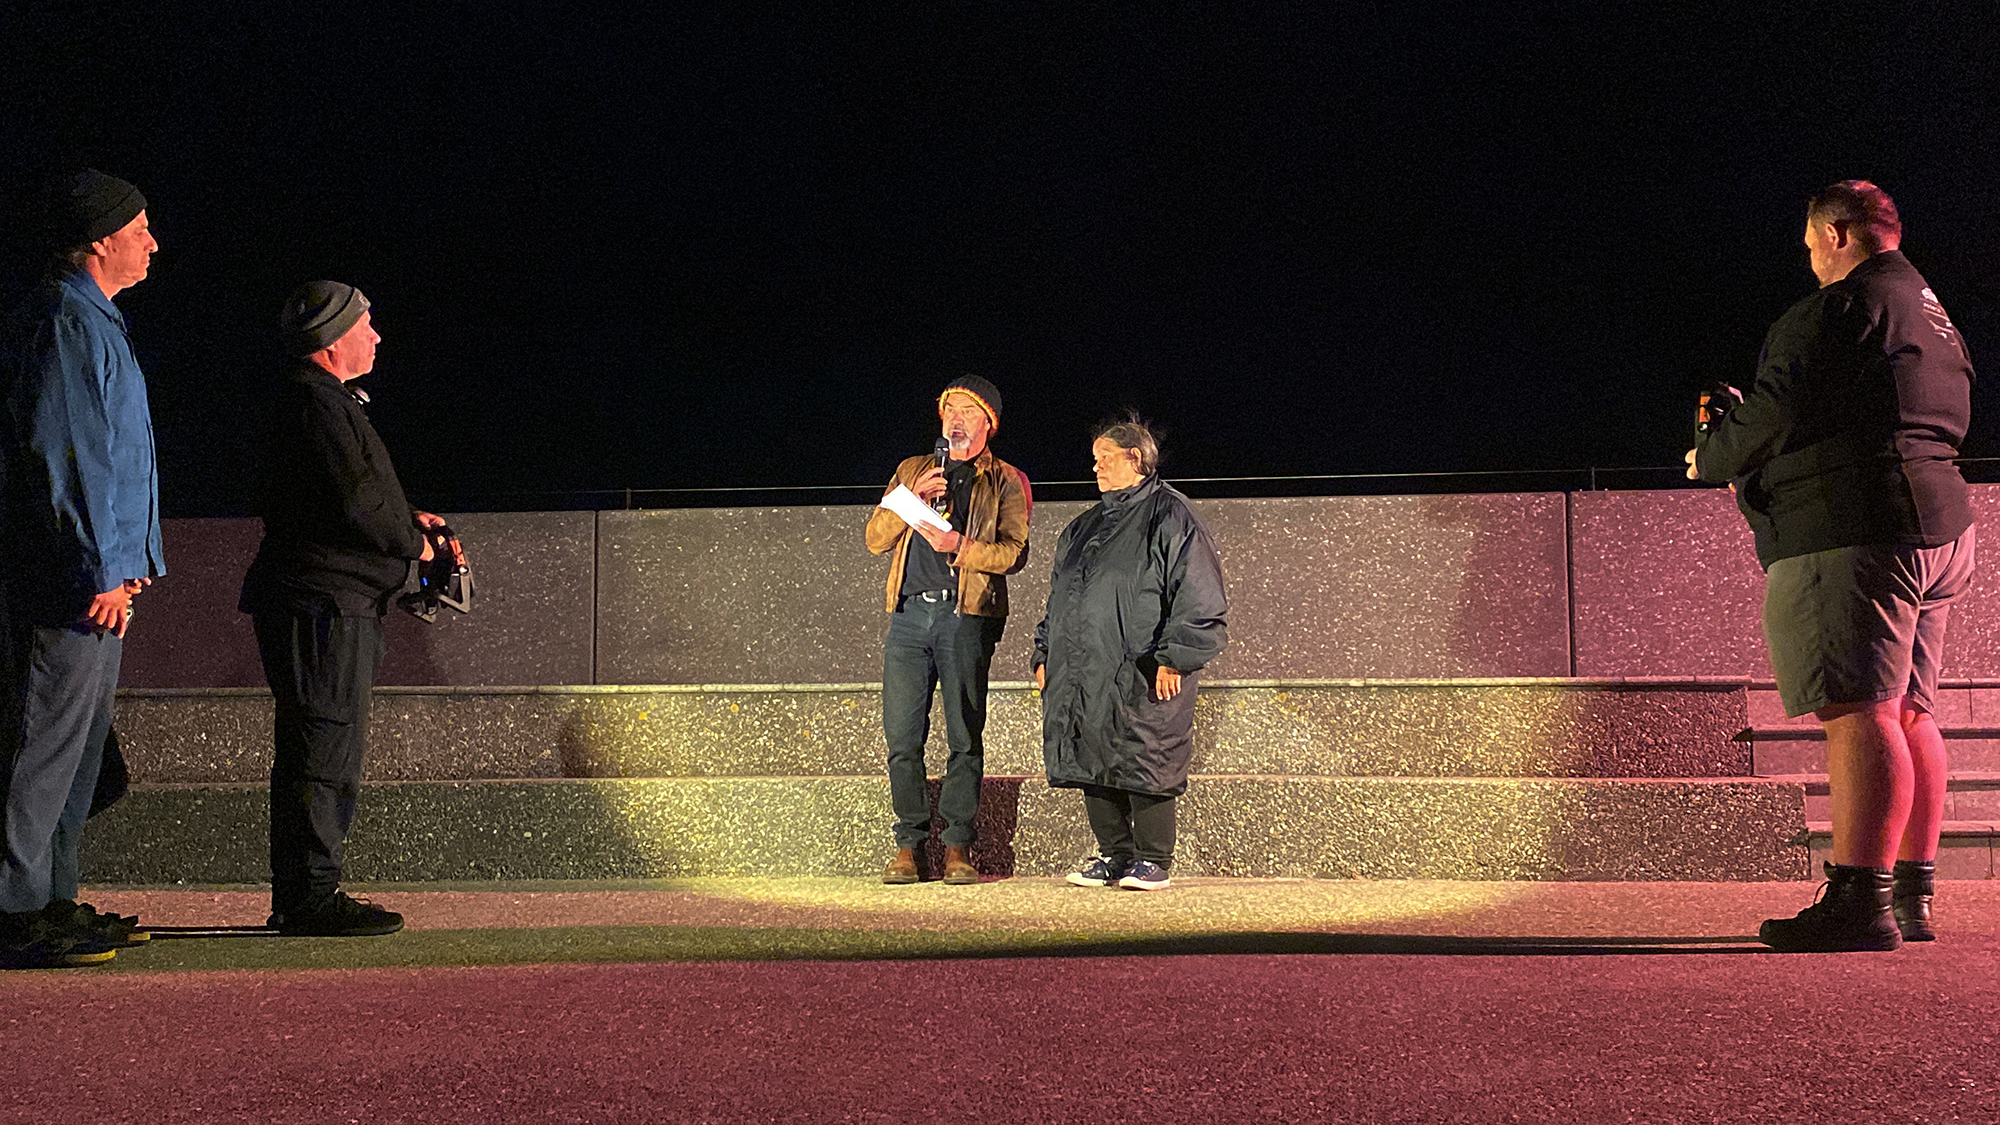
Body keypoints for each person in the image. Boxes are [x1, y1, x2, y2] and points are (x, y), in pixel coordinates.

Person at [1689, 180, 1976, 952]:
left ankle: (1858, 901)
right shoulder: (1934, 316)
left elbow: (1772, 412)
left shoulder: (1836, 308)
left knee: (1860, 710)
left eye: (1813, 242)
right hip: (1940, 523)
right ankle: (1910, 894)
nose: (1811, 257)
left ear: (1839, 233)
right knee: (1911, 710)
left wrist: (1711, 454)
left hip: (1857, 530)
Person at [240, 281, 441, 937]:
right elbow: (355, 503)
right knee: (323, 745)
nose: (376, 336)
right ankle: (309, 896)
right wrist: (416, 542)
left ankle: (307, 890)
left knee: (323, 743)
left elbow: (343, 497)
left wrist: (408, 520)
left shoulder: (321, 402)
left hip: (327, 597)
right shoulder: (316, 403)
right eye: (365, 324)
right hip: (324, 602)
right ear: (331, 341)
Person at [0, 170, 164, 967]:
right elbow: (67, 453)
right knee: (41, 745)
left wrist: (129, 566)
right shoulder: (65, 319)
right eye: (139, 229)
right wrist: (100, 566)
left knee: (77, 751)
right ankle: (13, 907)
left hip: (99, 578)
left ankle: (53, 898)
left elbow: (116, 458)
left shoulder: (95, 320)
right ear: (99, 239)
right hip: (68, 581)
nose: (153, 243)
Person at [1034, 417, 1227, 892]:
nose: (1095, 466)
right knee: (1090, 748)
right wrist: (1043, 652)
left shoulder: (1172, 516)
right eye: (1094, 458)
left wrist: (1176, 657)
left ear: (1135, 458)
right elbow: (1060, 598)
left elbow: (1198, 593)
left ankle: (1153, 859)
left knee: (1146, 749)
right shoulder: (1082, 528)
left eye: (1105, 457)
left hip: (1143, 664)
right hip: (1082, 665)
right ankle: (1113, 854)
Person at [863, 375, 1032, 884]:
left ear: (988, 424)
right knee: (902, 737)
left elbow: (1014, 554)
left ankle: (958, 846)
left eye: (968, 411)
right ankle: (908, 846)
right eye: (950, 409)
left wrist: (959, 545)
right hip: (909, 617)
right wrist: (910, 500)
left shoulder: (1006, 479)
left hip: (965, 617)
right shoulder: (912, 470)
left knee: (963, 735)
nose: (956, 419)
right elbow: (875, 538)